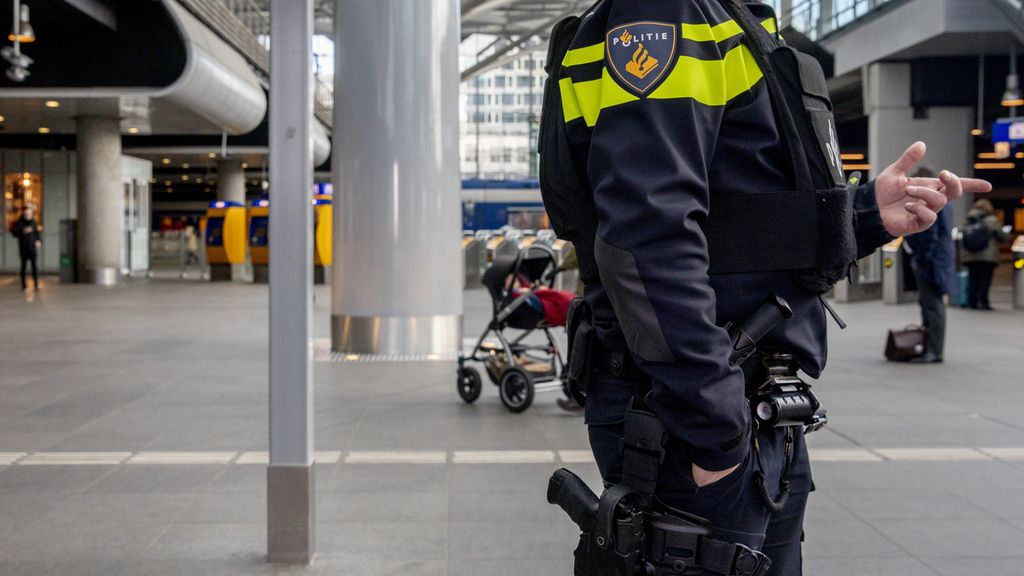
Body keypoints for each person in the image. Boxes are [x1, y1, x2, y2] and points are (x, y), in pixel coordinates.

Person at [546, 1, 991, 573]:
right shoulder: (669, 12)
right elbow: (645, 234)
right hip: (690, 419)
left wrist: (865, 215)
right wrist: (715, 433)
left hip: (746, 410)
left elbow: (739, 228)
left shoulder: (731, 18)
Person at [904, 167, 955, 363]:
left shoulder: (933, 202)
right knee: (932, 304)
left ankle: (933, 350)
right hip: (939, 261)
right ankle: (930, 348)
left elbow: (929, 235)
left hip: (932, 262)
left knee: (932, 305)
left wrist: (920, 258)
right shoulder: (945, 201)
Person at [961, 198, 1009, 310]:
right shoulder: (992, 220)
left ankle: (972, 302)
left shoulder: (969, 219)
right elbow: (1002, 236)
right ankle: (983, 302)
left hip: (970, 255)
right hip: (987, 256)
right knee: (985, 280)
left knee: (973, 279)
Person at [10, 207, 41, 292]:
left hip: (32, 249)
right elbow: (14, 232)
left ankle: (36, 284)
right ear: (24, 214)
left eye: (30, 214)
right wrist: (23, 231)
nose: (28, 216)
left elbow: (37, 233)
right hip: (23, 249)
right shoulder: (20, 223)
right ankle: (24, 286)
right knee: (23, 267)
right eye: (27, 214)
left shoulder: (34, 222)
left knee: (34, 266)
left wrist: (38, 241)